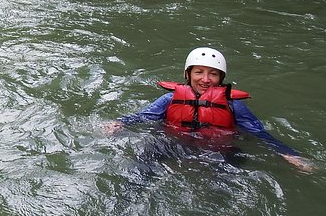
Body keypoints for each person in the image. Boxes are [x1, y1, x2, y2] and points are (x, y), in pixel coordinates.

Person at [104, 47, 313, 171]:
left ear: (221, 79)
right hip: (175, 144)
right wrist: (120, 122)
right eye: (199, 72)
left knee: (234, 169)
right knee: (145, 159)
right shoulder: (169, 99)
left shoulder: (234, 106)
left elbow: (258, 132)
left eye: (213, 74)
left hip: (219, 150)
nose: (205, 79)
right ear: (188, 75)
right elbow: (143, 116)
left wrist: (287, 153)